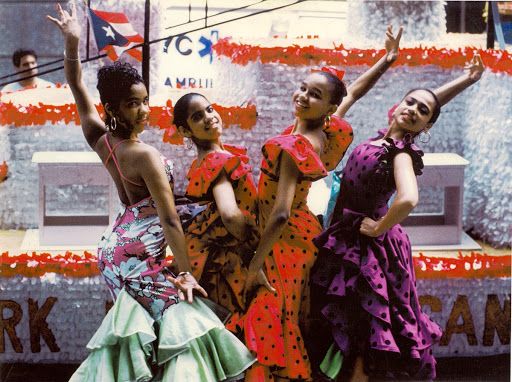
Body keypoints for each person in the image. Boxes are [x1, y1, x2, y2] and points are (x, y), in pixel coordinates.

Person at [47, 3, 255, 381]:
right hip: (140, 252)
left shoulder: (102, 140)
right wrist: (188, 273)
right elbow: (169, 217)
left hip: (114, 250)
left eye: (144, 100)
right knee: (183, 327)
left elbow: (77, 86)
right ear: (112, 107)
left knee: (141, 334)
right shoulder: (144, 155)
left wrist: (73, 44)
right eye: (132, 105)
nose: (143, 110)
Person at [241, 26, 404, 381]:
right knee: (285, 314)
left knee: (272, 316)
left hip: (282, 238)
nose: (302, 96)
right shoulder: (324, 131)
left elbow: (280, 212)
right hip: (301, 233)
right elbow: (353, 92)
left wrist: (254, 265)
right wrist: (386, 60)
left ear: (327, 107)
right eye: (302, 88)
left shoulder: (296, 146)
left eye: (314, 95)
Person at [312, 55, 485, 381]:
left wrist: (378, 227)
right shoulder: (383, 141)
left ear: (426, 126)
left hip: (369, 249)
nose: (414, 110)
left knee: (366, 328)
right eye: (410, 103)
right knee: (354, 324)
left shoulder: (400, 153)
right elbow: (427, 101)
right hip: (350, 239)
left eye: (422, 112)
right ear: (398, 104)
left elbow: (408, 198)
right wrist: (464, 80)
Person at [173, 92, 259, 331]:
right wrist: (252, 248)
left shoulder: (205, 160)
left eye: (209, 109)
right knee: (232, 329)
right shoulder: (217, 159)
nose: (209, 117)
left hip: (210, 257)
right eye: (198, 117)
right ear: (185, 131)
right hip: (228, 260)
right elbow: (230, 214)